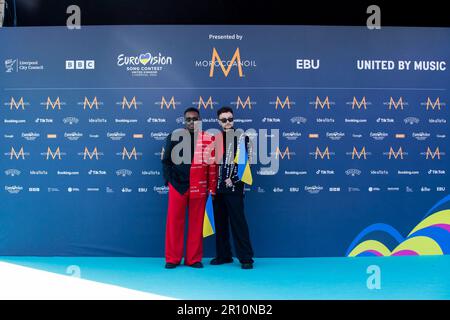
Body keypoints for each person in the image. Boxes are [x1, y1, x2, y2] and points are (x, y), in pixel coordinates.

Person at [162, 107, 217, 269]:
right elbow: (166, 161)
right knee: (174, 223)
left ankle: (193, 259)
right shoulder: (174, 136)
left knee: (196, 223)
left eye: (195, 119)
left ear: (200, 120)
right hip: (177, 186)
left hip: (198, 186)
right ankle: (172, 258)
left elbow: (212, 165)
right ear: (184, 121)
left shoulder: (208, 139)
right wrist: (169, 181)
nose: (192, 122)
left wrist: (211, 187)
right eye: (189, 119)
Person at [211, 106, 254, 269]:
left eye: (230, 119)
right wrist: (212, 185)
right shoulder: (216, 139)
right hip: (218, 188)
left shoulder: (242, 137)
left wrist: (234, 179)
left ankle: (246, 258)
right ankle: (224, 255)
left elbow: (245, 162)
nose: (227, 122)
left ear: (233, 119)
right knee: (220, 223)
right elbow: (212, 163)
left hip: (234, 187)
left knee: (238, 222)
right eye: (224, 120)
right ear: (219, 121)